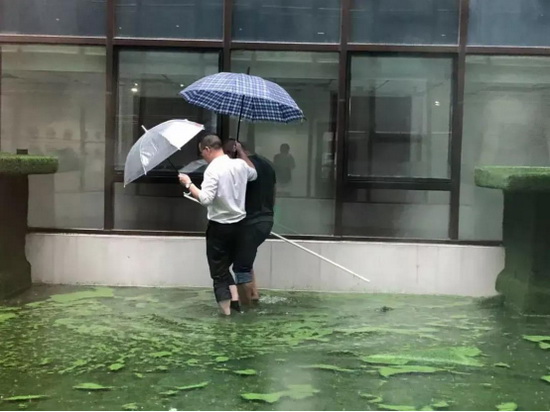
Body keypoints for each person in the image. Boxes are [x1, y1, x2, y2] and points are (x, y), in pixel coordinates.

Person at [179, 135, 257, 316]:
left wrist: (188, 183)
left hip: (220, 228)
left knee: (218, 273)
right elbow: (254, 174)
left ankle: (226, 315)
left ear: (208, 149)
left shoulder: (213, 169)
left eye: (202, 152)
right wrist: (241, 153)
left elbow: (206, 199)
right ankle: (235, 303)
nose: (202, 156)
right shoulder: (240, 165)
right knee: (225, 267)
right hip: (240, 226)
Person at [224, 140, 276, 306]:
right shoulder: (267, 164)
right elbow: (274, 193)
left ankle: (246, 310)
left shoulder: (244, 167)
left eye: (228, 155)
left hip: (250, 222)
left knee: (241, 268)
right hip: (266, 219)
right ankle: (253, 295)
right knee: (245, 256)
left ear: (234, 151)